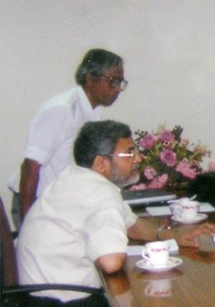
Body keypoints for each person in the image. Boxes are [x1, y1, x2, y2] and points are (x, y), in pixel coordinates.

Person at [16, 120, 215, 307]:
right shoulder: (100, 194)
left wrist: (171, 236)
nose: (138, 158)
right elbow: (111, 262)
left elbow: (131, 224)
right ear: (101, 163)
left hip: (35, 305)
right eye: (129, 153)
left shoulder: (76, 177)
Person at [8, 48, 127, 228]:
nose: (118, 89)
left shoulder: (94, 114)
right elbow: (30, 167)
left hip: (63, 205)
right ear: (90, 78)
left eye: (120, 82)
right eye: (112, 81)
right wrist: (29, 224)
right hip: (38, 205)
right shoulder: (62, 110)